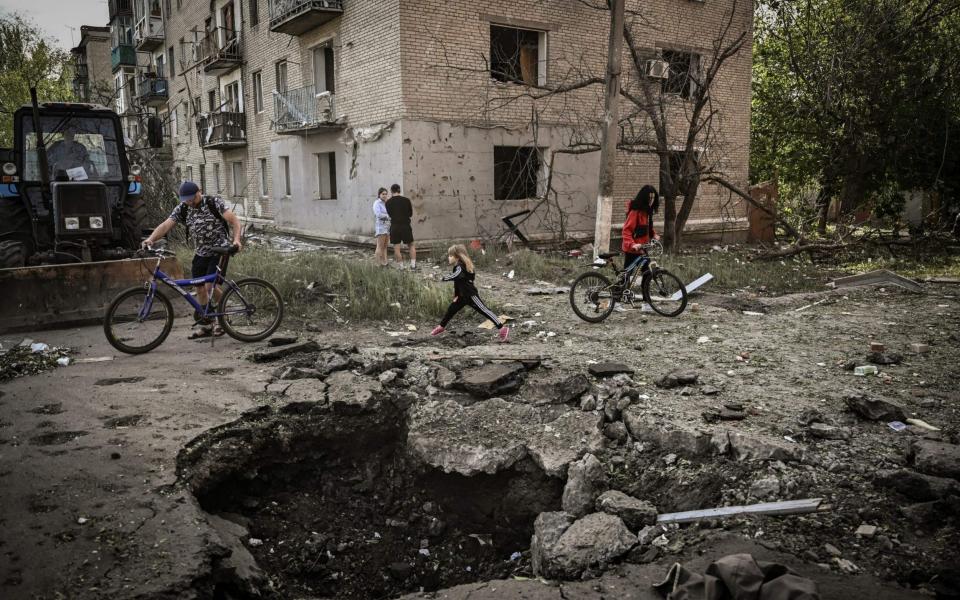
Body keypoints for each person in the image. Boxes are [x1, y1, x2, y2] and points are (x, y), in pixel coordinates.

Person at [142, 181, 244, 338]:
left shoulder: (213, 202)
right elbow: (165, 226)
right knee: (199, 287)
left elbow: (235, 221)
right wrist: (150, 239)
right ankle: (207, 325)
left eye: (192, 198)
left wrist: (236, 240)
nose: (190, 202)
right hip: (201, 252)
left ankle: (224, 320)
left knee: (210, 286)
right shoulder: (183, 208)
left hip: (219, 250)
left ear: (199, 192)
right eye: (186, 199)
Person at [431, 244, 509, 342]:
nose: (448, 257)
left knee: (484, 310)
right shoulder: (460, 266)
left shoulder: (460, 266)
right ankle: (441, 327)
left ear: (457, 257)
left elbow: (457, 276)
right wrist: (456, 296)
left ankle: (502, 328)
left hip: (470, 295)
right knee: (451, 310)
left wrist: (444, 278)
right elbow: (459, 283)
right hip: (462, 296)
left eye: (450, 256)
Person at [620, 184, 661, 280]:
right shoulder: (635, 211)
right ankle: (618, 292)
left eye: (653, 198)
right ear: (644, 198)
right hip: (632, 250)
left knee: (647, 274)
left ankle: (646, 295)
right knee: (626, 276)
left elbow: (646, 227)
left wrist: (653, 234)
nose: (651, 200)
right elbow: (626, 230)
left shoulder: (646, 211)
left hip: (643, 249)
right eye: (649, 198)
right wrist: (632, 244)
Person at [385, 183, 417, 269]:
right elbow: (410, 214)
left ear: (391, 191)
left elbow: (389, 214)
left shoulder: (388, 202)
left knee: (396, 248)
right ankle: (413, 266)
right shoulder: (406, 200)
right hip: (405, 226)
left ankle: (401, 267)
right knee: (411, 245)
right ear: (399, 190)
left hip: (395, 226)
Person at [372, 187, 391, 266]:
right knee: (380, 246)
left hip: (388, 226)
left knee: (385, 246)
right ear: (379, 194)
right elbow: (378, 215)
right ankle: (377, 264)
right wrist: (389, 216)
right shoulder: (377, 203)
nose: (384, 195)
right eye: (383, 194)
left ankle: (385, 263)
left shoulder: (386, 203)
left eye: (386, 194)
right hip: (381, 226)